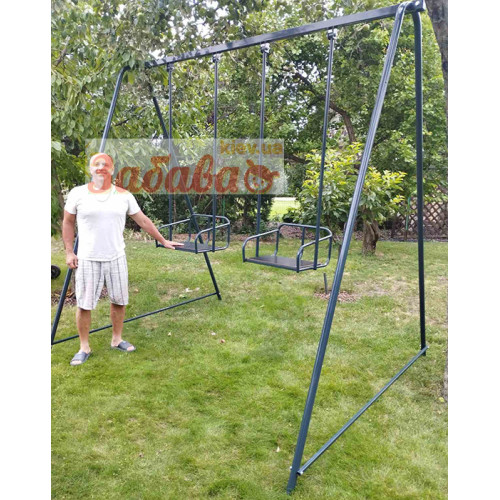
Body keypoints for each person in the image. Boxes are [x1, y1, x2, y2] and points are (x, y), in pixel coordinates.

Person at [62, 152, 183, 366]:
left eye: (105, 164)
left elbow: (143, 221)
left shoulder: (124, 196)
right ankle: (84, 347)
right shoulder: (77, 194)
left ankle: (117, 339)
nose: (101, 167)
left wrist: (163, 240)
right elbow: (68, 222)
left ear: (112, 169)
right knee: (84, 304)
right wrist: (69, 252)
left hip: (116, 257)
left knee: (119, 301)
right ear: (90, 169)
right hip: (88, 258)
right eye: (96, 164)